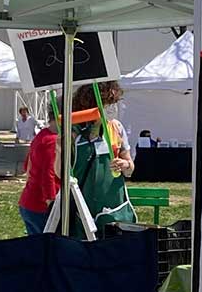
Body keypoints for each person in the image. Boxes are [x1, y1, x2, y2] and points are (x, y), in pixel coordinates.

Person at [69, 81, 135, 228]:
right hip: (82, 206)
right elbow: (60, 174)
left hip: (114, 206)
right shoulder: (73, 132)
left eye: (114, 102)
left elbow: (130, 169)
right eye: (108, 103)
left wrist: (125, 165)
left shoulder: (116, 128)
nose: (112, 108)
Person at [18, 107, 60, 235]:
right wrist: (50, 201)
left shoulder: (42, 135)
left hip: (29, 201)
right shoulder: (53, 140)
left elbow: (27, 165)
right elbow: (48, 173)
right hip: (41, 205)